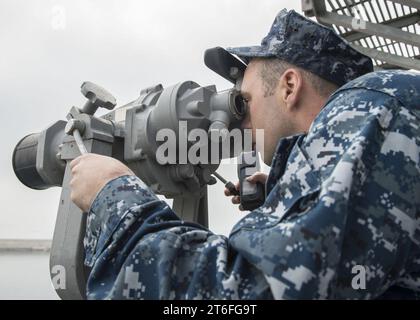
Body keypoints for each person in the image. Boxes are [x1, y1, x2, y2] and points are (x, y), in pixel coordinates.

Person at [69, 9, 420, 299]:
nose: (243, 119)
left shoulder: (371, 107)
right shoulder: (383, 115)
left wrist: (115, 198)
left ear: (289, 86)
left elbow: (247, 294)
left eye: (246, 101)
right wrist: (287, 191)